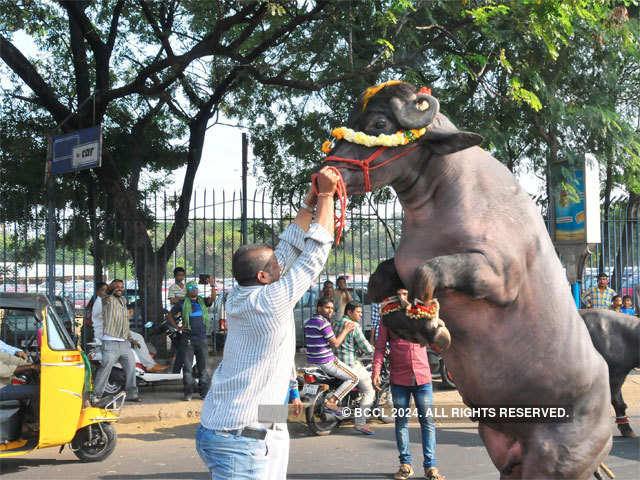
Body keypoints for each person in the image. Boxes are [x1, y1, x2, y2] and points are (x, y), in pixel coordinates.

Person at [197, 167, 338, 479]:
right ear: (263, 276)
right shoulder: (269, 301)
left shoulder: (240, 293)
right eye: (276, 265)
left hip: (241, 424)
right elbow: (315, 252)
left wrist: (309, 202)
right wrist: (327, 195)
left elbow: (287, 248)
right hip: (242, 439)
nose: (282, 263)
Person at [373, 289, 444, 480]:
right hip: (399, 379)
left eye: (407, 293)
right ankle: (405, 465)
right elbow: (380, 347)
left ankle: (431, 467)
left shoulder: (422, 314)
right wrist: (376, 371)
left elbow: (437, 343)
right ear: (395, 296)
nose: (404, 297)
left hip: (423, 378)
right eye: (400, 293)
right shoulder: (387, 317)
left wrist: (438, 330)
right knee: (402, 422)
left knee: (427, 422)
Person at [93, 283, 167, 373]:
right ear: (98, 292)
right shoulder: (101, 303)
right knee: (138, 338)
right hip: (109, 333)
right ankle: (149, 365)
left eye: (107, 290)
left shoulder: (104, 302)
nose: (106, 292)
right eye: (103, 290)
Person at [91, 279, 141, 404]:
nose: (119, 288)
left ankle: (132, 394)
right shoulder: (106, 299)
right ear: (111, 287)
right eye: (116, 286)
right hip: (110, 343)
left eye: (121, 287)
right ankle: (96, 396)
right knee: (105, 369)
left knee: (131, 368)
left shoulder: (123, 301)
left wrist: (131, 339)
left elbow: (124, 323)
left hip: (124, 343)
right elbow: (106, 294)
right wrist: (110, 289)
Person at [304, 297, 357, 415]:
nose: (330, 311)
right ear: (319, 308)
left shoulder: (308, 322)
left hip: (312, 361)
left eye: (332, 308)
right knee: (354, 378)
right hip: (327, 362)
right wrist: (346, 330)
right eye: (327, 308)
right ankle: (332, 402)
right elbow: (336, 343)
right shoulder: (323, 323)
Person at [168, 279, 215, 401]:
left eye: (195, 287)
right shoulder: (182, 303)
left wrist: (213, 286)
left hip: (202, 339)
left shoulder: (202, 302)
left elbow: (212, 300)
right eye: (190, 288)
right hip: (187, 339)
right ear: (187, 290)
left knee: (203, 368)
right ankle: (188, 393)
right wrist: (178, 327)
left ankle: (203, 393)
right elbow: (170, 315)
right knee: (187, 368)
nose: (193, 289)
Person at [333, 301, 376, 434]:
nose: (361, 315)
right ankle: (360, 423)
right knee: (370, 391)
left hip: (335, 363)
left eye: (361, 312)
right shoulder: (354, 326)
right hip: (350, 364)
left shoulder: (335, 323)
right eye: (358, 312)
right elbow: (365, 347)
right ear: (349, 312)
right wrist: (376, 350)